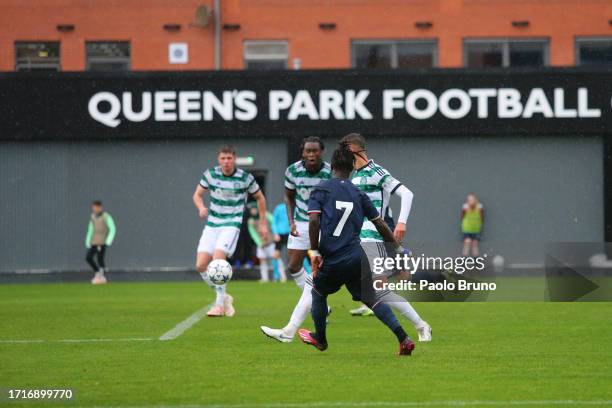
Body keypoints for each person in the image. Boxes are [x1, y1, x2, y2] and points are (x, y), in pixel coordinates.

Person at [261, 133, 432, 342]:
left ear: (353, 150)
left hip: (372, 239)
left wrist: (401, 223)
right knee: (377, 292)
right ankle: (419, 326)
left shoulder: (376, 171)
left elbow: (407, 194)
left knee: (326, 285)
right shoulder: (355, 177)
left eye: (345, 148)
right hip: (358, 240)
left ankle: (291, 332)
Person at [297, 144, 415, 355]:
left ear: (331, 165)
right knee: (373, 298)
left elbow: (313, 221)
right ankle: (403, 338)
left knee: (317, 291)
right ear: (352, 166)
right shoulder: (359, 193)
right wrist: (397, 249)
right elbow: (381, 225)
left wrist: (314, 252)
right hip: (355, 256)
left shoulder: (321, 189)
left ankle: (321, 339)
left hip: (332, 257)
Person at [260, 137, 331, 340]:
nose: (311, 154)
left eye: (314, 151)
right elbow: (289, 196)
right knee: (293, 266)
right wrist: (291, 221)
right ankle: (318, 307)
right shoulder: (292, 170)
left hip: (322, 224)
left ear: (321, 152)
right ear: (302, 152)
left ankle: (295, 327)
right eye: (307, 151)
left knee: (317, 278)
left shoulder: (328, 172)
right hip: (300, 222)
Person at [193, 145, 269, 317]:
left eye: (229, 158)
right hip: (212, 224)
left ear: (234, 159)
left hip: (231, 223)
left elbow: (260, 198)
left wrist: (263, 223)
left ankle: (219, 306)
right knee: (201, 265)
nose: (226, 162)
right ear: (218, 160)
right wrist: (201, 207)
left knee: (218, 261)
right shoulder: (211, 174)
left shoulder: (245, 178)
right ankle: (224, 297)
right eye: (223, 158)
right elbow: (197, 194)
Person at [248, 205, 286, 282]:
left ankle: (282, 276)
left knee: (276, 258)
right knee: (262, 260)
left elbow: (274, 222)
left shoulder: (266, 215)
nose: (253, 211)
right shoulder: (250, 221)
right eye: (252, 209)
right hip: (261, 244)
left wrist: (275, 234)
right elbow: (253, 233)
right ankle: (264, 278)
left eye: (254, 209)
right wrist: (259, 242)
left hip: (271, 242)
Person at [85, 200, 116, 285]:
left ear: (100, 207)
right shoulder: (93, 217)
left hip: (102, 242)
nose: (94, 209)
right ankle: (97, 272)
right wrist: (88, 240)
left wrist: (108, 241)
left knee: (100, 259)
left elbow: (112, 228)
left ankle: (101, 276)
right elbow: (90, 229)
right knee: (88, 257)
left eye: (96, 207)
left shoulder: (106, 217)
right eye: (93, 207)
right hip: (94, 241)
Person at [272, 201, 290, 281]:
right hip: (280, 234)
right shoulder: (279, 208)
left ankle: (308, 273)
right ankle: (277, 276)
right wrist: (275, 233)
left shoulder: (295, 208)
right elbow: (274, 221)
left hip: (290, 234)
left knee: (298, 254)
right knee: (275, 255)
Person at [461, 193, 484, 257]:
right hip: (467, 228)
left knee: (475, 244)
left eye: (472, 199)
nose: (471, 201)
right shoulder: (465, 207)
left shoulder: (479, 207)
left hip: (476, 229)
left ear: (476, 200)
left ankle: (476, 260)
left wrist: (480, 223)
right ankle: (464, 259)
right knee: (467, 243)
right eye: (469, 200)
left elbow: (482, 217)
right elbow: (462, 216)